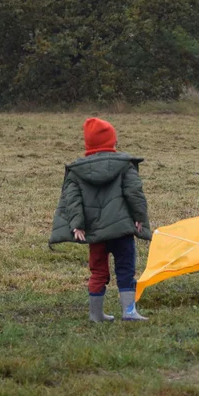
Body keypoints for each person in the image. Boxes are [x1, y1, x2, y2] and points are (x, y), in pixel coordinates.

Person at [50, 117, 153, 321]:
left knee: (98, 272)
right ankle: (129, 311)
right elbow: (135, 194)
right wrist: (139, 217)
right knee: (126, 269)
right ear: (112, 142)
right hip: (122, 231)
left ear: (88, 144)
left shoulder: (76, 171)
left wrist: (77, 224)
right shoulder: (125, 165)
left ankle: (95, 315)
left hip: (95, 233)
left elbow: (72, 200)